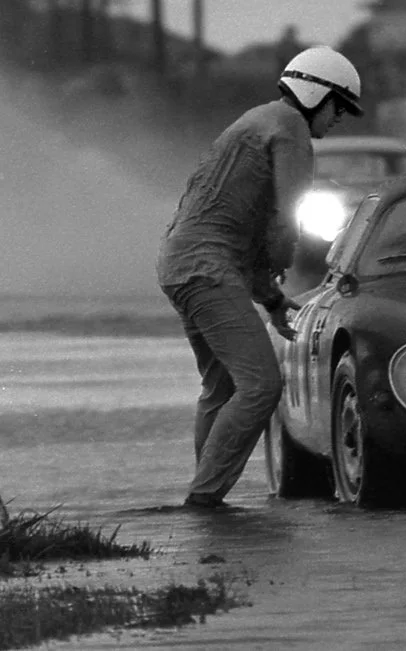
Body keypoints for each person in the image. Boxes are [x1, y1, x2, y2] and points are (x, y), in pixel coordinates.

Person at [158, 45, 363, 509]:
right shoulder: (290, 130)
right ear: (316, 94)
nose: (338, 121)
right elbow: (286, 219)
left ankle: (204, 493)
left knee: (223, 386)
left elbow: (241, 222)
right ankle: (205, 497)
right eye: (339, 108)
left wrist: (270, 300)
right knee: (262, 385)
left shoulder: (257, 119)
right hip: (208, 269)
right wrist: (290, 265)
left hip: (181, 263)